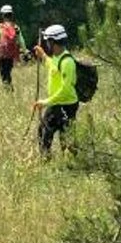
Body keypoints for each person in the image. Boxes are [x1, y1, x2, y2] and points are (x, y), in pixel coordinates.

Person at [31, 24, 79, 154]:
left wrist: (45, 102)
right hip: (57, 103)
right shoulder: (58, 57)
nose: (46, 44)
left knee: (66, 138)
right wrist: (43, 56)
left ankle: (74, 163)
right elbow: (52, 67)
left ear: (53, 42)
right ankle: (47, 160)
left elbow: (65, 90)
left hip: (66, 105)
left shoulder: (67, 62)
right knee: (45, 131)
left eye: (48, 41)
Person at [0, 4, 27, 90]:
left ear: (2, 15)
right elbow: (21, 40)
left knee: (4, 73)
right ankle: (8, 88)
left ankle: (8, 89)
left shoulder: (0, 27)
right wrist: (25, 51)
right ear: (11, 15)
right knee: (8, 71)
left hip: (2, 54)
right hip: (11, 55)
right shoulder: (16, 27)